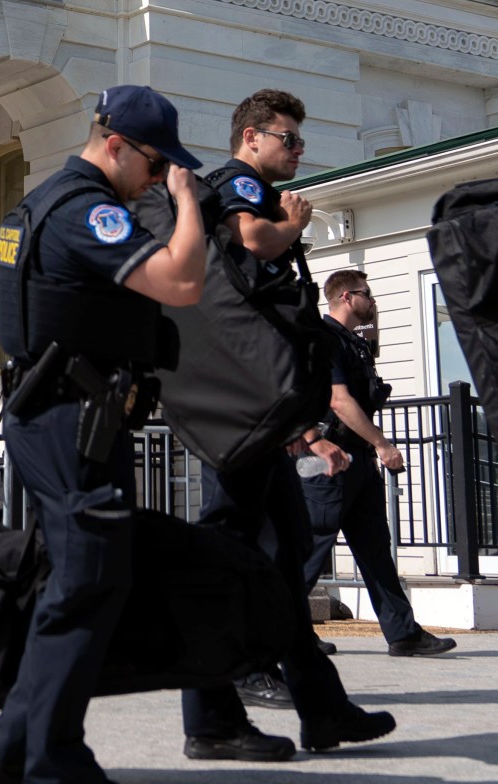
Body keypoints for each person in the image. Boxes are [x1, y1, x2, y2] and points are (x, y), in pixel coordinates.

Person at [0, 87, 211, 784]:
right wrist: (188, 201)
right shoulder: (88, 209)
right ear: (116, 145)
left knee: (79, 581)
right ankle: (52, 759)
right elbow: (181, 281)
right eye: (154, 162)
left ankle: (14, 747)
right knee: (87, 581)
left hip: (59, 414)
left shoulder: (38, 203)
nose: (157, 175)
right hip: (67, 419)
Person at [151, 89, 394, 761]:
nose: (298, 149)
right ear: (252, 138)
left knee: (284, 557)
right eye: (288, 138)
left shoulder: (242, 183)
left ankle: (323, 709)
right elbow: (255, 240)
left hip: (253, 404)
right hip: (238, 407)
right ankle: (212, 713)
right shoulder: (238, 182)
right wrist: (290, 222)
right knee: (229, 550)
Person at [303, 267, 452, 659]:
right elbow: (339, 402)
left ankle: (403, 633)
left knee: (375, 550)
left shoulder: (354, 343)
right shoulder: (325, 339)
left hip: (358, 461)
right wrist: (383, 445)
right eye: (366, 294)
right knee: (311, 549)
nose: (373, 301)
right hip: (326, 460)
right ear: (347, 298)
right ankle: (285, 633)